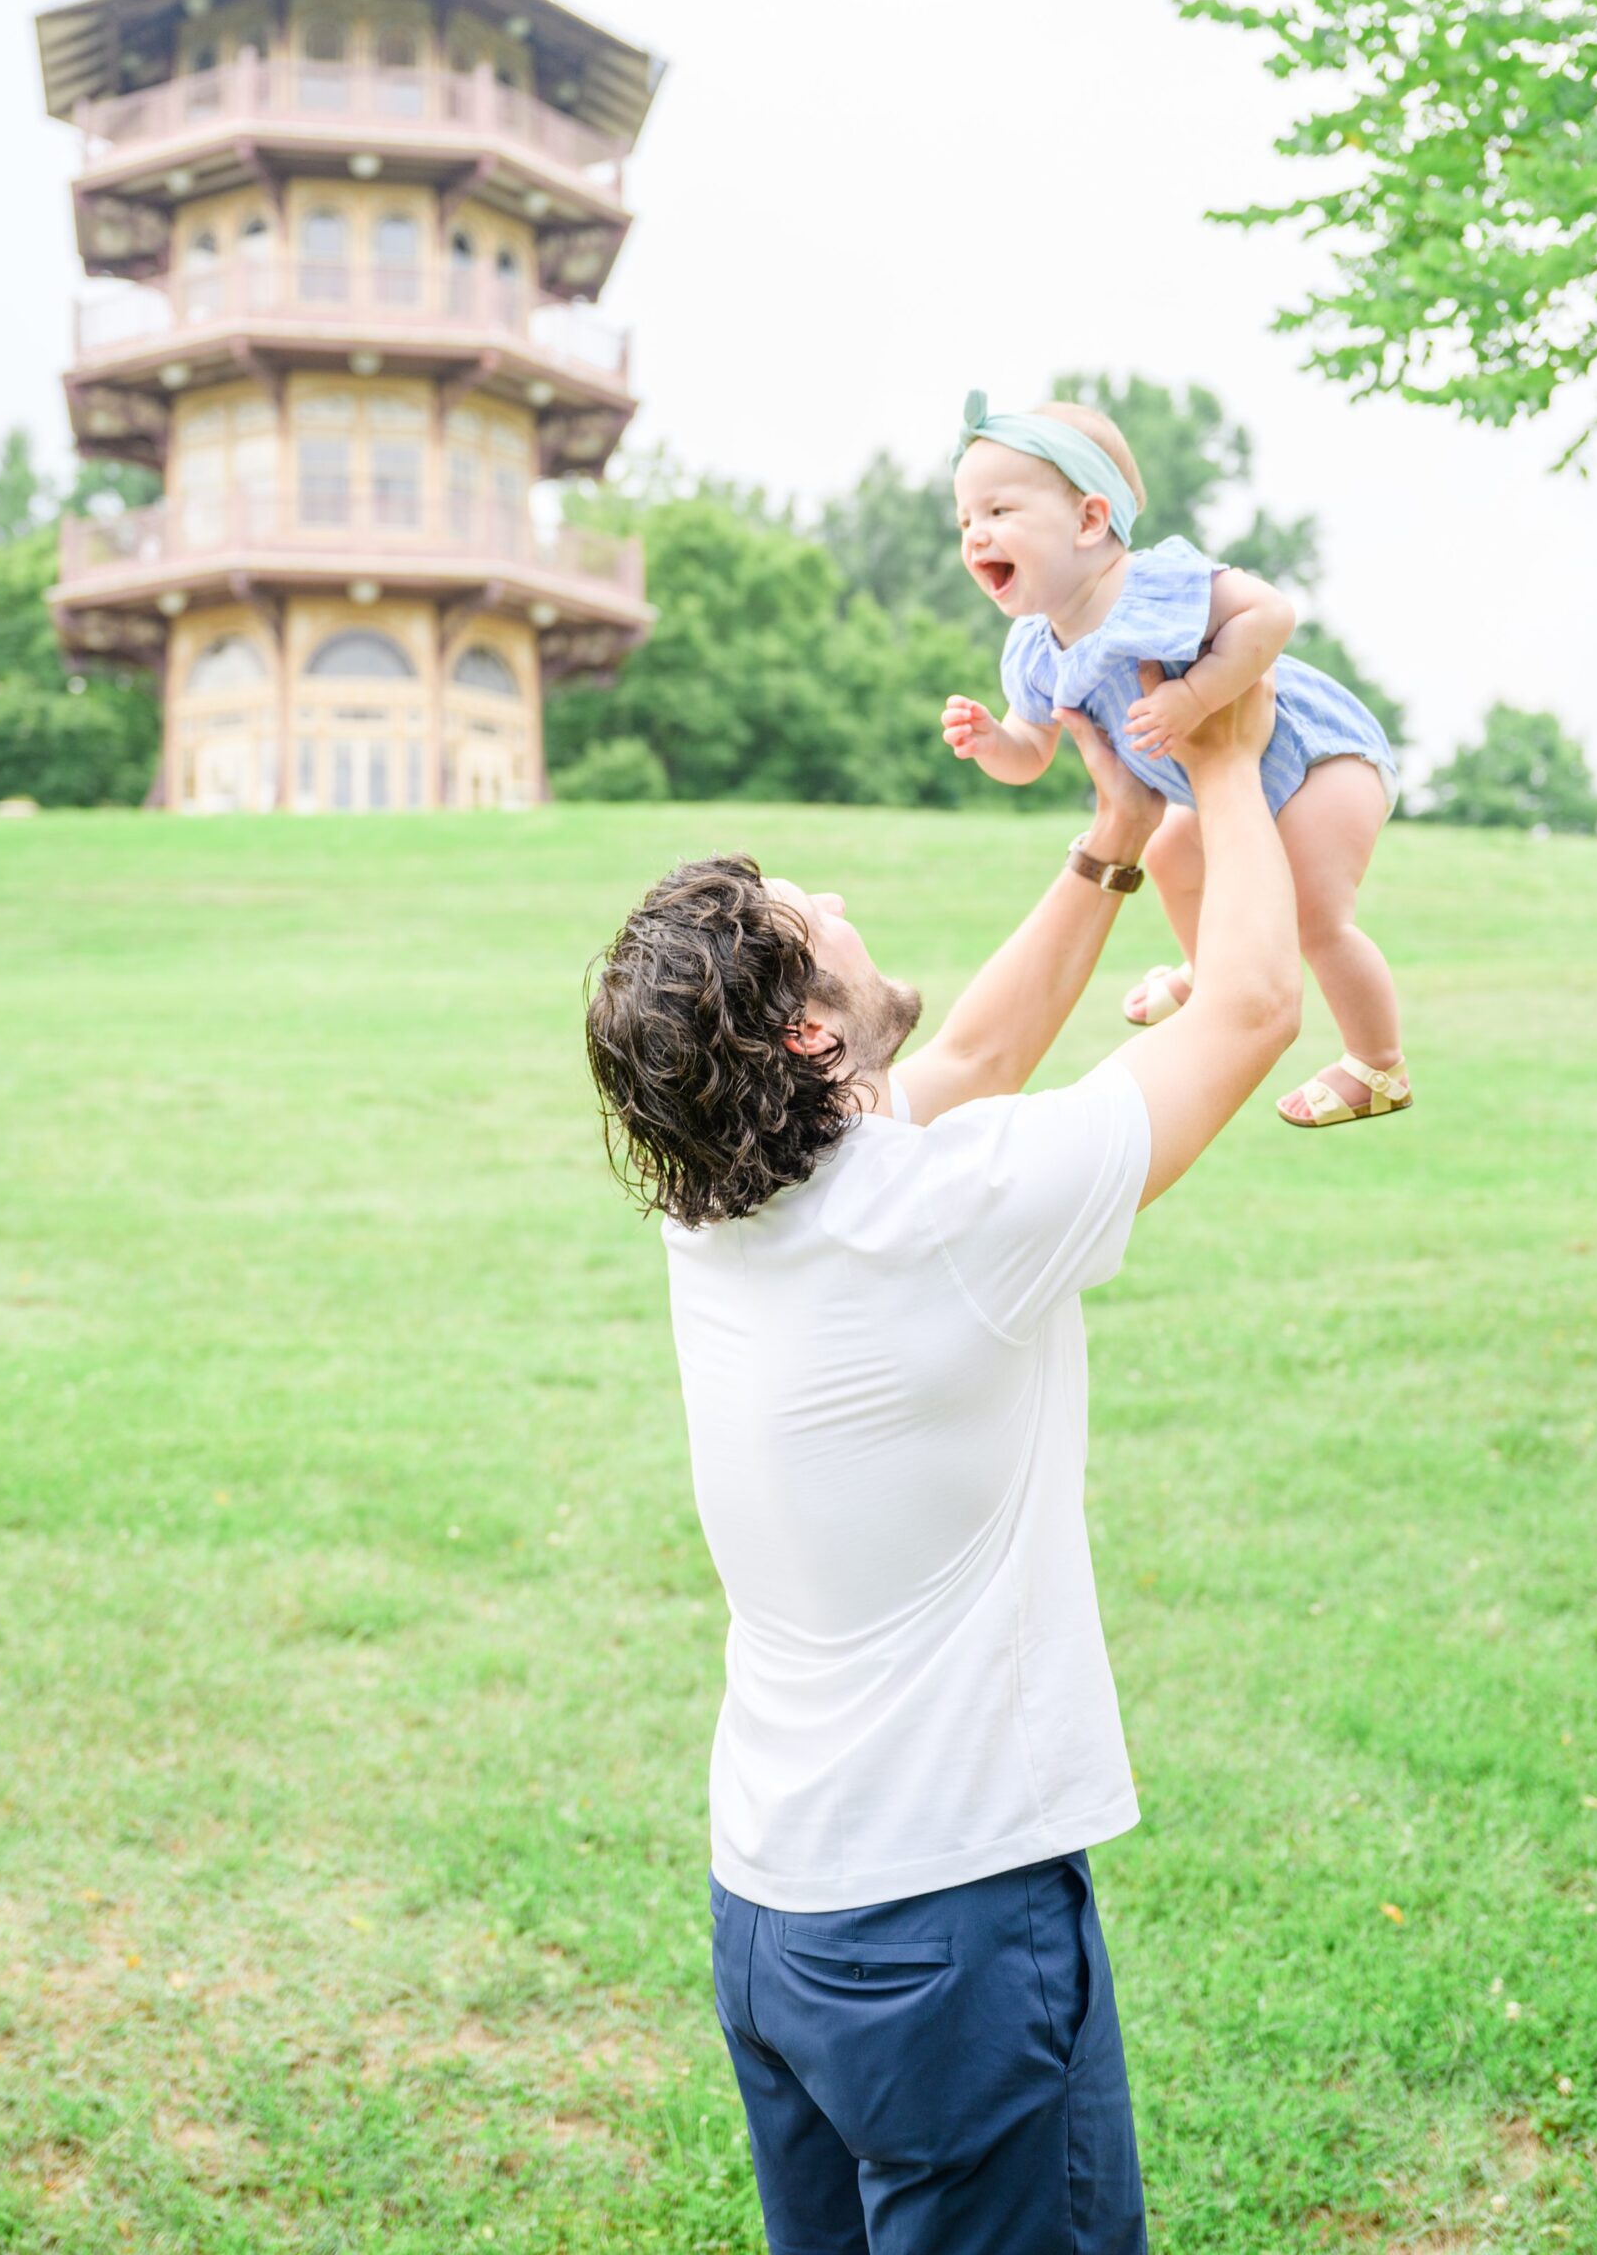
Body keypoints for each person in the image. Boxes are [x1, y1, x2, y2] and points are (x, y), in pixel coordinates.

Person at [585, 672, 1303, 2254]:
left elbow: (968, 1053)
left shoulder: (719, 1203)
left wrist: (1110, 845)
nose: (835, 896)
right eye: (806, 911)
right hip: (944, 1928)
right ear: (808, 1028)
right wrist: (1230, 761)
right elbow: (1249, 1007)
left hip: (774, 1914)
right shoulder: (943, 1219)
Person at [942, 390, 1411, 1129]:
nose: (974, 535)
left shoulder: (1151, 584)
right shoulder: (1034, 646)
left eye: (998, 513)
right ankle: (1208, 969)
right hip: (1220, 786)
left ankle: (1377, 1064)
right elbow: (1032, 751)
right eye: (965, 519)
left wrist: (1192, 698)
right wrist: (990, 743)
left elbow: (1270, 615)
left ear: (1090, 521)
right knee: (1169, 857)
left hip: (1318, 763)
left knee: (1316, 918)